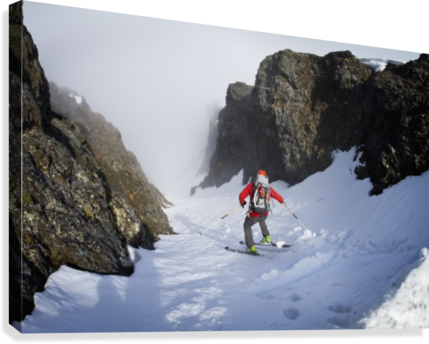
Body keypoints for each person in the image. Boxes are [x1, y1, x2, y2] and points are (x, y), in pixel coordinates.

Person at [239, 170, 285, 255]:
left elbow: (241, 196)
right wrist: (282, 201)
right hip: (265, 213)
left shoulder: (252, 185)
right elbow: (279, 197)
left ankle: (251, 247)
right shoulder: (268, 187)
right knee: (261, 219)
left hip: (254, 214)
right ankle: (267, 238)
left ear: (257, 177)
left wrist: (242, 203)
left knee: (247, 225)